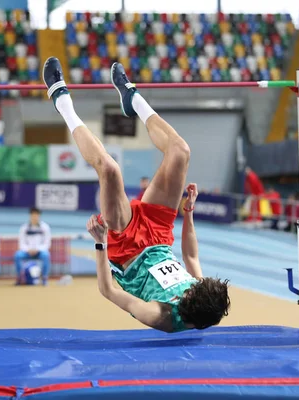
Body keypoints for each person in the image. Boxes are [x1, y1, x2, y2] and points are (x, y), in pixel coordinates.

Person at [43, 58, 230, 333]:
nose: (195, 284)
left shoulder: (160, 315)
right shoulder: (205, 297)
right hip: (159, 234)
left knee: (109, 169)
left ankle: (61, 100)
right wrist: (187, 213)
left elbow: (108, 291)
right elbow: (191, 257)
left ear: (189, 303)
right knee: (181, 151)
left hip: (126, 249)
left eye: (194, 289)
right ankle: (133, 99)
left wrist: (100, 243)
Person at [14, 207, 51, 286]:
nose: (34, 217)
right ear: (30, 215)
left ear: (39, 216)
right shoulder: (24, 228)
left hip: (40, 252)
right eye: (33, 215)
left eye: (36, 215)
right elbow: (21, 243)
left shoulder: (45, 227)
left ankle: (44, 278)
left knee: (46, 255)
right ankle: (20, 278)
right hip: (27, 252)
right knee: (17, 255)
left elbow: (47, 243)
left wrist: (37, 249)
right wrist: (28, 250)